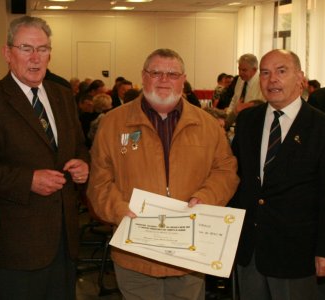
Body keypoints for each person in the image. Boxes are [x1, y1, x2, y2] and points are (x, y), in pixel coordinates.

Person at [87, 48, 239, 300]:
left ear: (183, 79)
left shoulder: (208, 125)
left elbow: (225, 171)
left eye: (172, 74)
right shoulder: (113, 123)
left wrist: (205, 198)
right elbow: (99, 180)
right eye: (156, 73)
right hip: (135, 253)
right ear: (143, 77)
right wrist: (118, 209)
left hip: (189, 255)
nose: (164, 79)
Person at [0, 16, 90, 300]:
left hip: (65, 239)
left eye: (42, 49)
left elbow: (79, 145)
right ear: (7, 53)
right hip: (19, 245)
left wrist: (83, 164)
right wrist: (27, 180)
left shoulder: (63, 95)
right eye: (26, 48)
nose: (35, 57)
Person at [230, 49, 325, 300]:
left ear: (300, 78)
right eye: (266, 73)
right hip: (250, 250)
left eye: (281, 71)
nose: (272, 80)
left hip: (298, 254)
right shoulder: (248, 121)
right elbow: (235, 177)